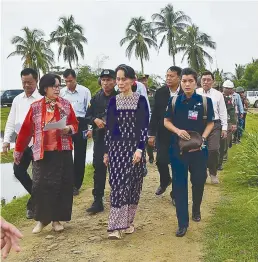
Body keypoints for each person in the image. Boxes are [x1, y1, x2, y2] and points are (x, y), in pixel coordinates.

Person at [14, 74, 78, 234]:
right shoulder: (36, 107)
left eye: (58, 86)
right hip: (42, 152)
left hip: (62, 151)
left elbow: (75, 124)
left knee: (61, 185)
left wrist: (68, 129)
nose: (57, 89)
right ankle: (42, 220)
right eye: (54, 86)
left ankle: (56, 220)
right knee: (41, 186)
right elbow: (25, 131)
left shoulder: (65, 104)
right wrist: (19, 150)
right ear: (45, 88)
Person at [164, 68, 215, 237]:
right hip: (178, 151)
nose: (187, 84)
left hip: (199, 151)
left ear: (196, 82)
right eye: (184, 81)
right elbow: (166, 121)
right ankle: (182, 223)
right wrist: (178, 131)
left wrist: (203, 138)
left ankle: (196, 209)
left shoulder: (205, 102)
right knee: (179, 185)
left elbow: (210, 123)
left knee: (199, 181)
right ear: (181, 82)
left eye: (190, 81)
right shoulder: (174, 101)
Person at [104, 65, 149, 239]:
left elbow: (143, 127)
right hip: (117, 150)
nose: (120, 82)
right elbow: (110, 129)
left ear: (132, 80)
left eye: (123, 79)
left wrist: (139, 148)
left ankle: (128, 222)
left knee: (133, 186)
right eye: (118, 79)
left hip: (134, 149)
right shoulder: (113, 101)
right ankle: (115, 227)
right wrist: (107, 152)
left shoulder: (140, 100)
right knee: (117, 186)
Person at [2, 68, 42, 219]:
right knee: (18, 171)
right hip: (22, 143)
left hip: (38, 143)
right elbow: (11, 121)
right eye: (24, 82)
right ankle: (39, 198)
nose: (26, 85)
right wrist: (6, 141)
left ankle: (33, 206)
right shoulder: (17, 99)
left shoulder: (42, 99)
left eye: (29, 82)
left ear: (36, 80)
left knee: (39, 176)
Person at [148, 66, 182, 205]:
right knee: (161, 161)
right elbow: (155, 114)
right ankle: (165, 180)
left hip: (180, 134)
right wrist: (151, 134)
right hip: (162, 133)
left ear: (179, 77)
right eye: (167, 75)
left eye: (171, 76)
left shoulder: (185, 92)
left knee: (177, 164)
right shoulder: (161, 92)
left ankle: (175, 194)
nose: (168, 78)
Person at [85, 69, 117, 214]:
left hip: (116, 139)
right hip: (100, 139)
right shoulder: (96, 98)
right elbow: (87, 116)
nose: (106, 83)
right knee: (99, 169)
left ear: (115, 81)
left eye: (109, 79)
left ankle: (118, 199)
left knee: (116, 169)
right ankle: (98, 200)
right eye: (103, 80)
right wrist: (96, 120)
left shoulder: (120, 97)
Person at [60, 69, 91, 196]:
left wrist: (90, 128)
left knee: (80, 155)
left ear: (75, 79)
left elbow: (89, 111)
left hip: (81, 123)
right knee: (65, 156)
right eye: (66, 81)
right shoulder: (62, 93)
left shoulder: (85, 91)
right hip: (66, 124)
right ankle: (67, 183)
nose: (68, 84)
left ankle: (76, 185)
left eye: (70, 81)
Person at [196, 71, 228, 184]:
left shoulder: (218, 94)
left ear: (213, 82)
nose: (206, 81)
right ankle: (202, 172)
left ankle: (213, 173)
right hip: (199, 124)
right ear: (200, 81)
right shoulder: (196, 93)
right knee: (199, 149)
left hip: (215, 124)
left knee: (213, 149)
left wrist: (224, 128)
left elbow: (223, 112)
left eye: (208, 79)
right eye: (203, 79)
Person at [218, 80, 237, 170]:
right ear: (224, 88)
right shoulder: (218, 96)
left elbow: (232, 111)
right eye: (229, 89)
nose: (231, 91)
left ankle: (221, 160)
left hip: (226, 122)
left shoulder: (228, 99)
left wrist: (233, 123)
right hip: (215, 122)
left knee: (224, 141)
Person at [138, 74, 155, 163]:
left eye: (145, 80)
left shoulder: (152, 92)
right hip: (142, 119)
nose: (144, 82)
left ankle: (151, 156)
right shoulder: (137, 93)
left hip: (152, 119)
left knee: (150, 139)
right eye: (142, 81)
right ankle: (142, 158)